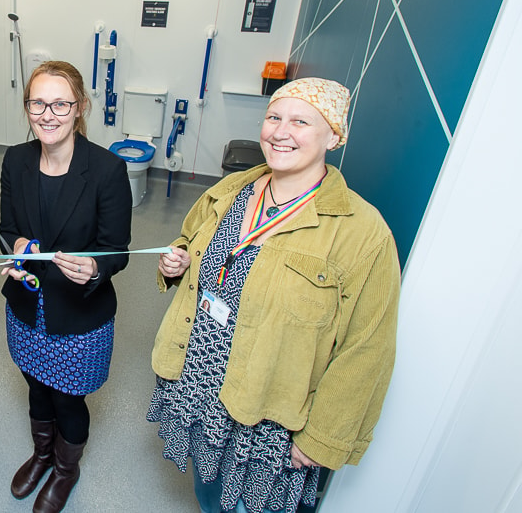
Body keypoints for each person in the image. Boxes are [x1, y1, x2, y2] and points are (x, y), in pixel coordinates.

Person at [148, 77, 401, 513]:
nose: (280, 132)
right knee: (208, 489)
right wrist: (181, 260)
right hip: (202, 381)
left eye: (301, 121)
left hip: (269, 412)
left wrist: (323, 436)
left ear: (334, 136)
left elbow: (368, 348)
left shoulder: (363, 233)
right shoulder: (230, 191)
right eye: (274, 117)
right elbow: (191, 239)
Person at [0, 61, 132, 513]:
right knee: (35, 385)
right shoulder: (15, 160)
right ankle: (41, 455)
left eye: (60, 103)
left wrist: (95, 267)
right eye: (38, 102)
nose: (48, 113)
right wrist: (16, 247)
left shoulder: (108, 170)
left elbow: (118, 250)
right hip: (27, 306)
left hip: (77, 314)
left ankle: (64, 469)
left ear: (79, 108)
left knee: (67, 398)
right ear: (27, 106)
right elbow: (8, 228)